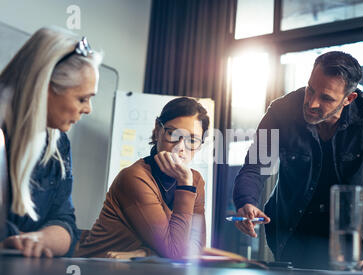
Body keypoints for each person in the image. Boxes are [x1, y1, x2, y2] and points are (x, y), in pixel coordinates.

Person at [233, 51, 363, 270]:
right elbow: (255, 166)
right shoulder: (281, 111)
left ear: (348, 99)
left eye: (326, 98)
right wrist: (246, 201)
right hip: (292, 231)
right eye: (310, 90)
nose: (312, 103)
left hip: (350, 235)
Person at [0, 27, 102, 257]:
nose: (88, 109)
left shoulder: (57, 145)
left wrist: (39, 239)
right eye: (82, 98)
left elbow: (64, 220)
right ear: (44, 87)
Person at [75, 97, 209, 259]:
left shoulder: (195, 180)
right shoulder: (135, 178)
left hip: (139, 271)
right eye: (173, 134)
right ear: (158, 130)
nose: (180, 148)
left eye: (192, 140)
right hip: (95, 267)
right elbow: (175, 252)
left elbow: (196, 248)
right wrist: (185, 187)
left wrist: (146, 253)